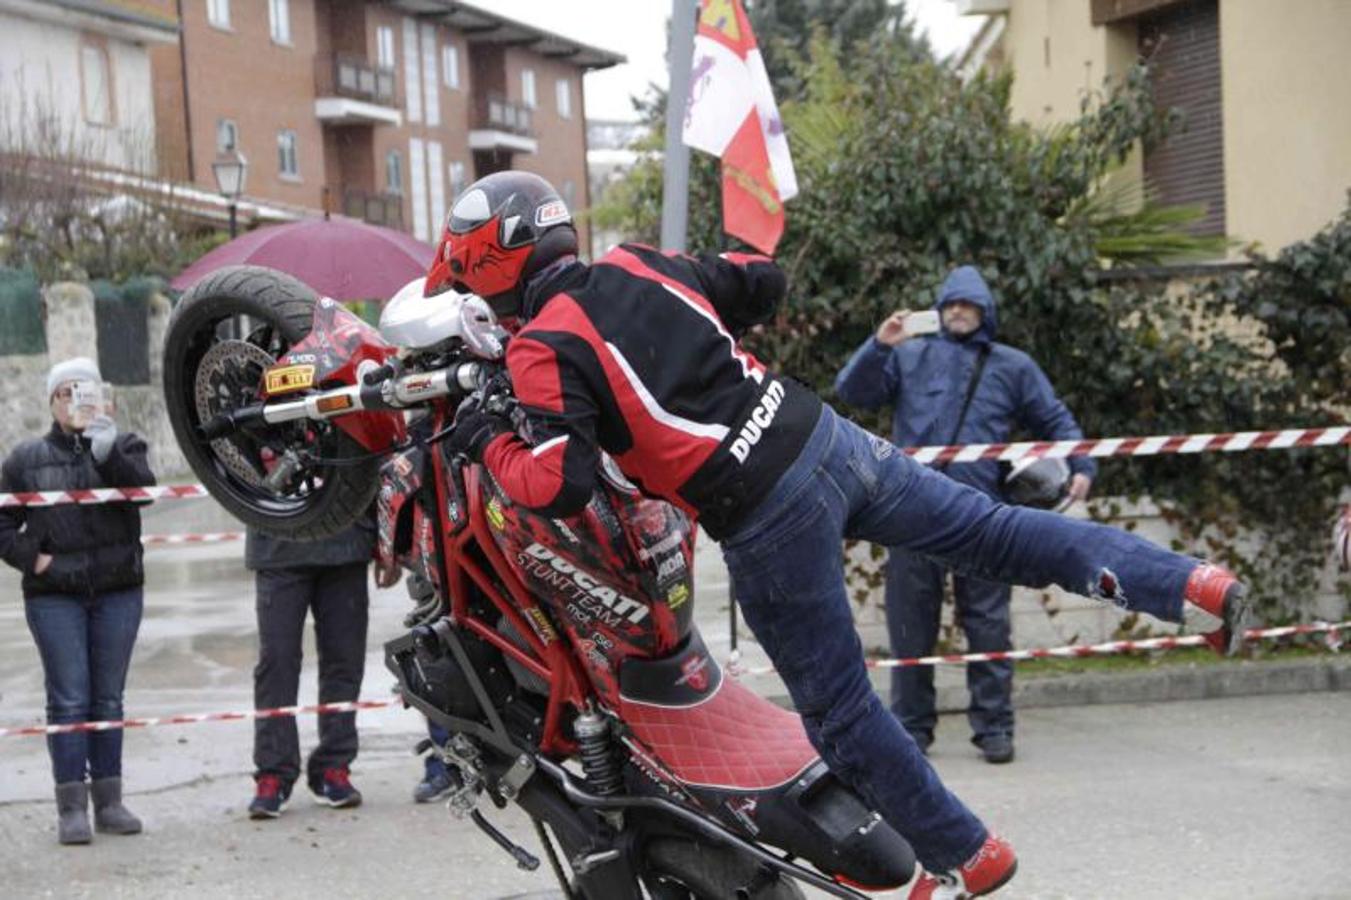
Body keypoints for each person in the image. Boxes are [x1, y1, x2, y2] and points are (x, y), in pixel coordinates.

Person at [427, 171, 1248, 897]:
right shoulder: (639, 260)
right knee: (1000, 533)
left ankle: (967, 855)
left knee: (841, 713)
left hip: (761, 510)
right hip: (827, 439)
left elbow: (557, 485)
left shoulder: (539, 347)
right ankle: (1188, 585)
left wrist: (486, 442)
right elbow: (763, 280)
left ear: (490, 273)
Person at [834, 267, 1096, 765]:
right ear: (940, 308)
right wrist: (879, 345)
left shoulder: (1012, 366)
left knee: (988, 622)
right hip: (910, 510)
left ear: (985, 312)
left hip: (982, 514)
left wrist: (1082, 464)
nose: (958, 311)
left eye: (969, 305)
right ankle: (911, 731)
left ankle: (995, 728)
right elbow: (853, 393)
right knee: (911, 626)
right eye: (951, 303)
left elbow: (1055, 419)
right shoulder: (908, 354)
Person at [0, 357, 153, 844]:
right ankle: (71, 807)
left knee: (108, 698)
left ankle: (110, 802)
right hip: (55, 596)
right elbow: (1, 523)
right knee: (68, 699)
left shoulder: (122, 444)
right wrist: (34, 559)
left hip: (118, 591)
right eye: (65, 392)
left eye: (83, 390)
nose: (75, 401)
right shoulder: (25, 460)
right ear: (51, 401)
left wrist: (108, 453)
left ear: (101, 397)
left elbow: (143, 493)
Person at [245, 521, 379, 818]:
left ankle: (333, 767)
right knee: (276, 663)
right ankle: (274, 774)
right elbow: (234, 481)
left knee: (345, 661)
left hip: (348, 548)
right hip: (277, 548)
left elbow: (372, 477)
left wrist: (386, 545)